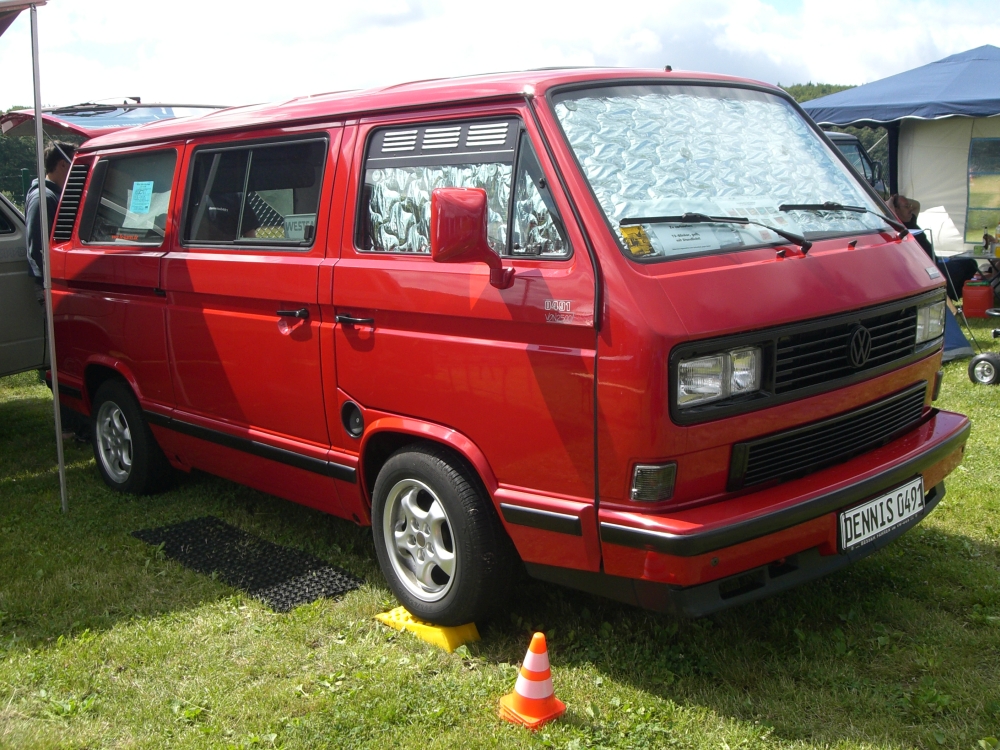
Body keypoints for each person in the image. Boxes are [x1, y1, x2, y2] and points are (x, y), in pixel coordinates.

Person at [25, 141, 88, 441]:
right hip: (50, 287)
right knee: (64, 357)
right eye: (74, 166)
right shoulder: (44, 199)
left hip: (54, 286)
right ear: (63, 165)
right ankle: (69, 426)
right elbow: (41, 249)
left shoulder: (49, 195)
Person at [886, 194, 979, 301]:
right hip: (927, 269)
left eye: (909, 206)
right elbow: (888, 211)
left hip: (935, 261)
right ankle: (948, 297)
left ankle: (952, 297)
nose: (910, 209)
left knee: (971, 263)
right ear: (896, 210)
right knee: (963, 267)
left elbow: (916, 204)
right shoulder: (897, 225)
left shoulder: (911, 220)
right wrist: (891, 200)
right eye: (906, 206)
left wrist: (901, 200)